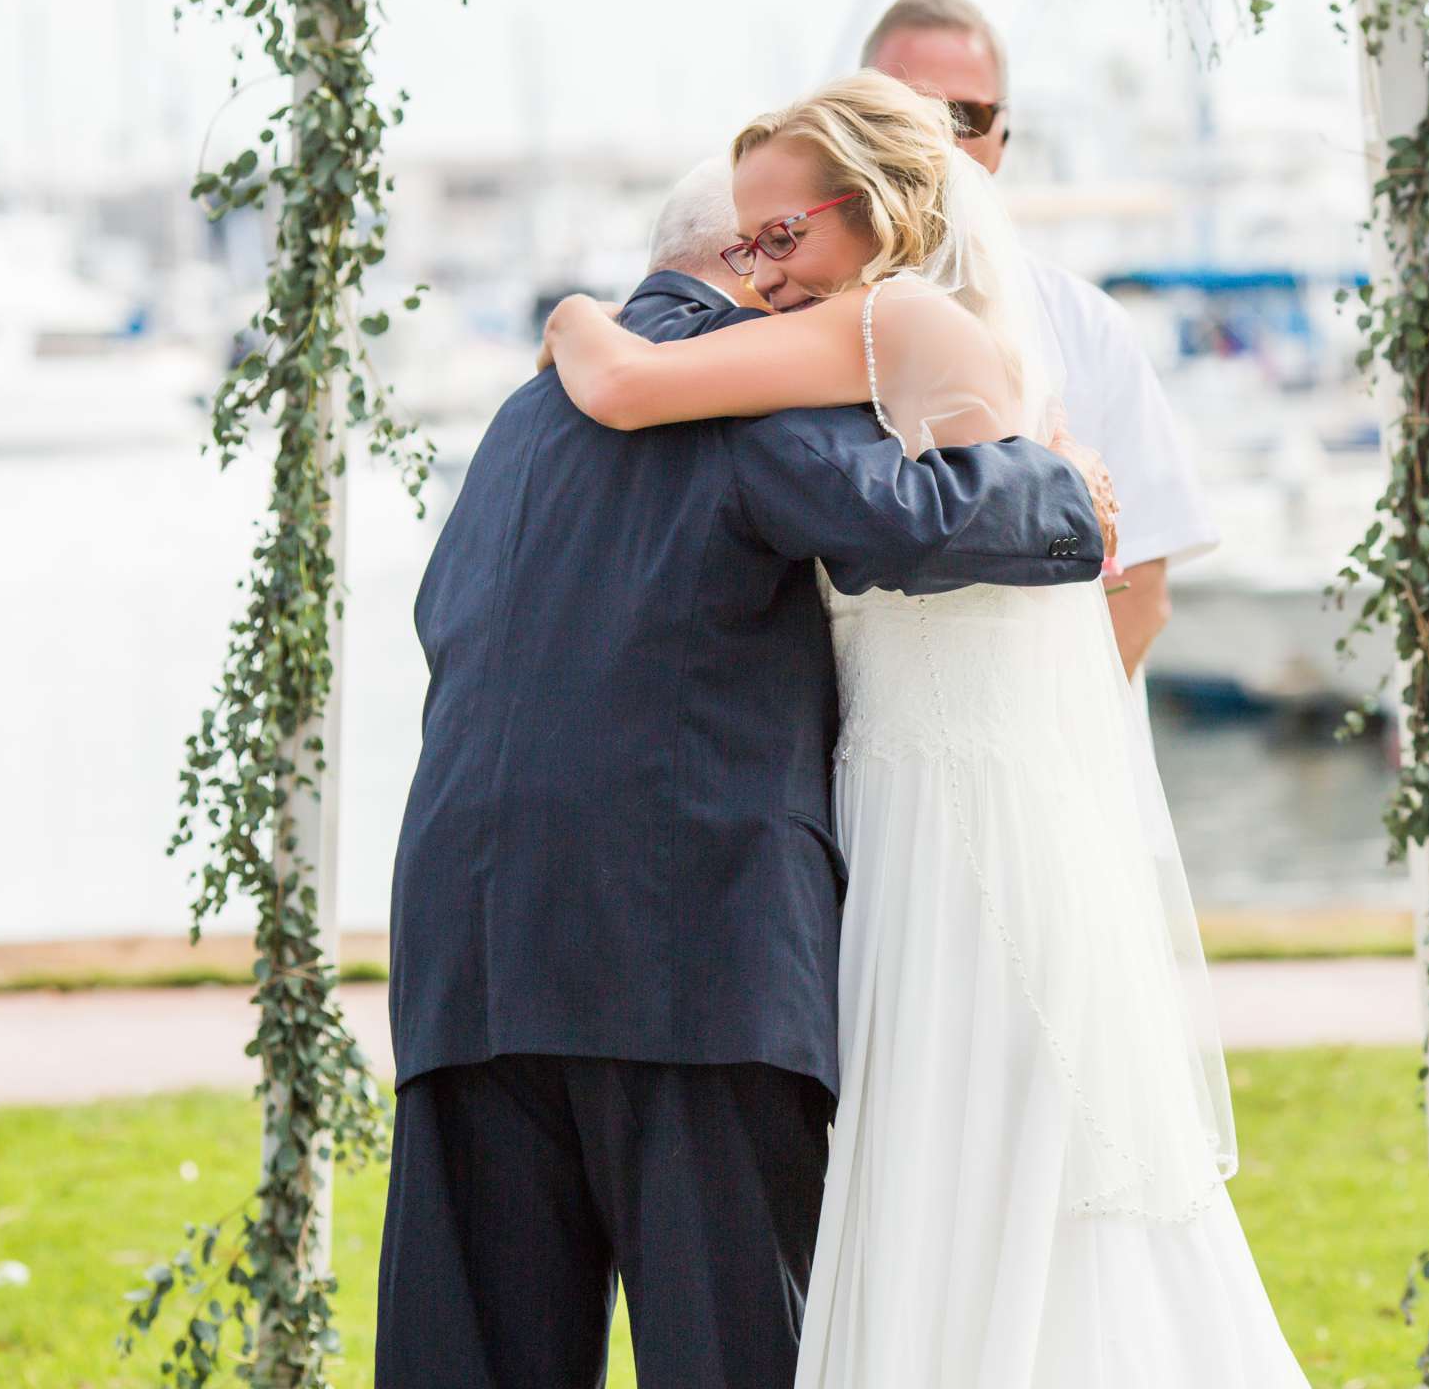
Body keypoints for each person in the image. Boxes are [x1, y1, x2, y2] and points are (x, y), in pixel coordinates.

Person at [538, 71, 1307, 1386]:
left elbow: (618, 382)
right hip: (958, 785)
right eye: (749, 241)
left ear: (885, 207)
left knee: (947, 1160)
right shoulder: (954, 335)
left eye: (784, 236)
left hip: (934, 809)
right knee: (997, 1165)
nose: (764, 272)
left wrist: (563, 305)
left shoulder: (887, 318)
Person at [374, 156, 1111, 1387]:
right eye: (780, 260)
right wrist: (1060, 489)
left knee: (474, 1355)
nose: (803, 293)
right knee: (730, 1351)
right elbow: (905, 520)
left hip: (469, 950)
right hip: (685, 951)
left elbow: (449, 620)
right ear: (737, 264)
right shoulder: (736, 390)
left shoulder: (517, 417)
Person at [862, 0, 1220, 676]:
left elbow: (1138, 589)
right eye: (901, 110)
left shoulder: (1088, 327)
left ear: (1003, 136)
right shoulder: (799, 318)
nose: (933, 137)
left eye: (963, 115)